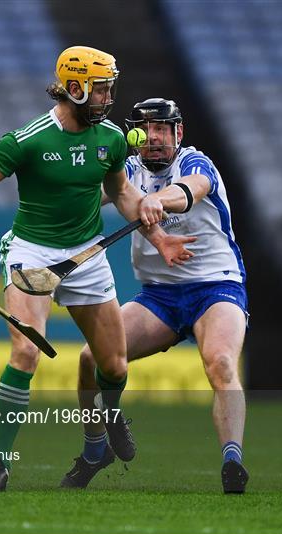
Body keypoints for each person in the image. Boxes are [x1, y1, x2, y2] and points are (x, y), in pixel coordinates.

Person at [0, 50, 195, 492]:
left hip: (87, 257)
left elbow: (124, 194)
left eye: (110, 87)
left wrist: (160, 238)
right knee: (26, 352)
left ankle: (99, 439)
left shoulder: (111, 139)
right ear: (75, 88)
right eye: (102, 88)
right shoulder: (29, 139)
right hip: (32, 255)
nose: (109, 97)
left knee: (113, 365)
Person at [61, 98, 250, 494]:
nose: (154, 138)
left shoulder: (196, 164)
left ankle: (232, 462)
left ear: (178, 133)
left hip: (216, 287)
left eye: (162, 129)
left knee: (220, 363)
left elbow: (190, 191)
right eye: (145, 130)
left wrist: (154, 201)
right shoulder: (127, 171)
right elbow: (86, 199)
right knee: (88, 359)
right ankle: (97, 447)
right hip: (159, 298)